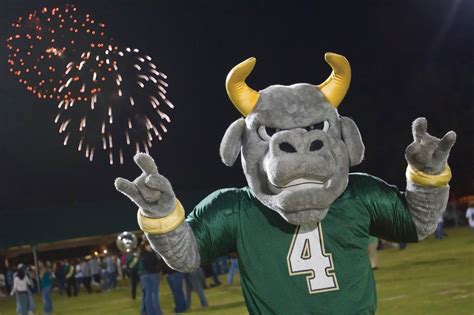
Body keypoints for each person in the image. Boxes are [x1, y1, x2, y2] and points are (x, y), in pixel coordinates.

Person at [140, 242, 162, 315]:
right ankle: (157, 312)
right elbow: (157, 263)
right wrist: (158, 269)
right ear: (145, 247)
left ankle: (150, 312)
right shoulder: (152, 254)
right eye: (149, 245)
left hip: (144, 275)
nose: (150, 247)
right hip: (153, 274)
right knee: (154, 294)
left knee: (148, 295)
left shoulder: (142, 255)